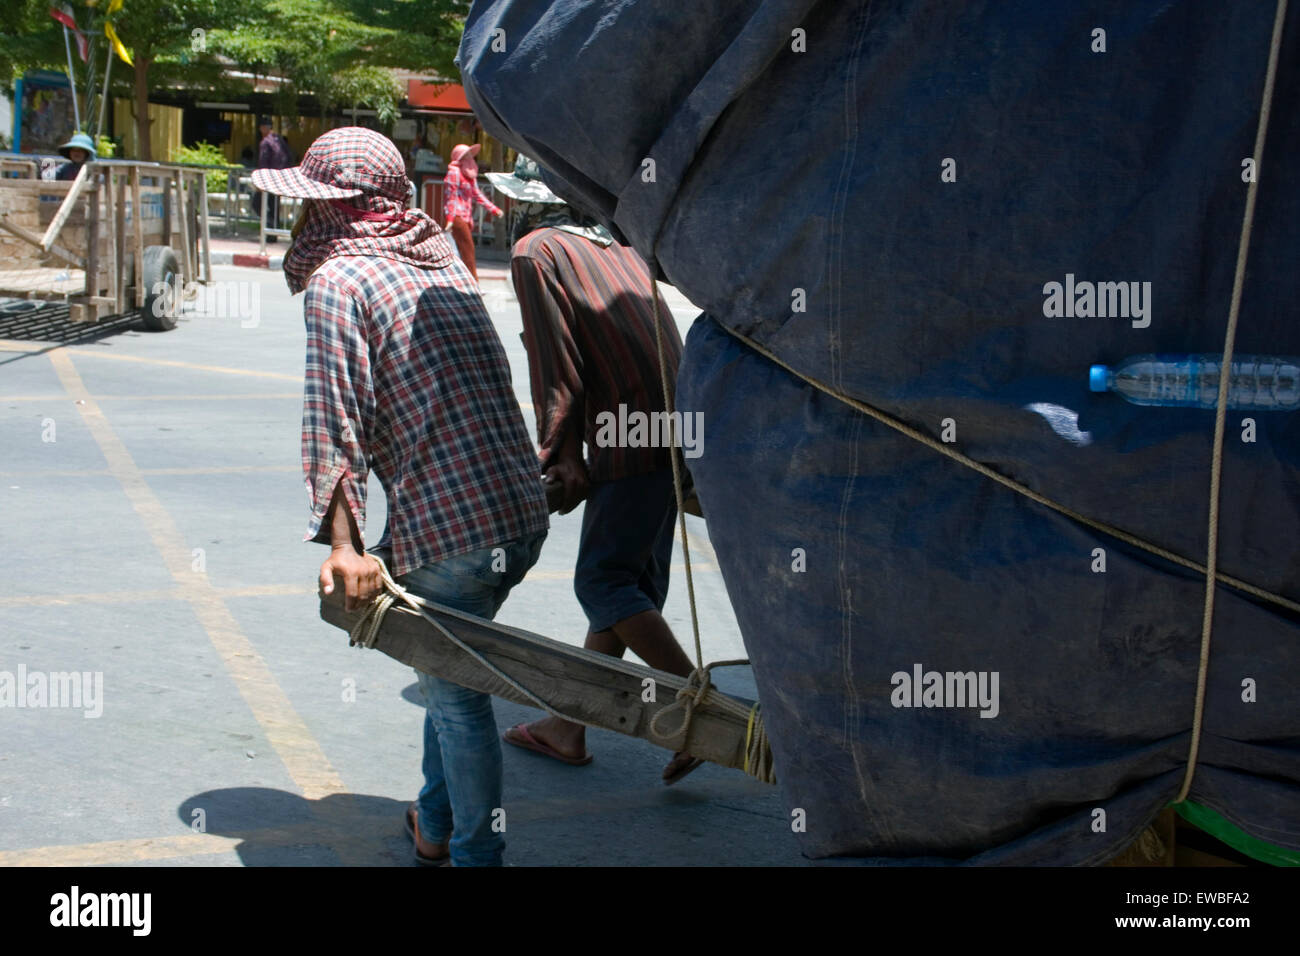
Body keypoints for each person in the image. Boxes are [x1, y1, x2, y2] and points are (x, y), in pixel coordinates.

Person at [251, 127, 549, 867]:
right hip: (517, 515)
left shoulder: (339, 281)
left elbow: (333, 419)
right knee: (447, 665)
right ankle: (437, 824)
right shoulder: (441, 257)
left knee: (456, 699)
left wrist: (348, 548)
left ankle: (478, 855)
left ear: (333, 207)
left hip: (452, 533)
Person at [488, 156, 702, 785]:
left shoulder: (536, 252)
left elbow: (557, 366)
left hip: (627, 437)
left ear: (530, 203)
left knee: (603, 583)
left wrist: (559, 455)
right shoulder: (620, 247)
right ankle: (566, 726)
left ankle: (697, 708)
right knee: (630, 584)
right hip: (671, 430)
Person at [442, 142, 502, 279]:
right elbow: (450, 197)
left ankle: (461, 280)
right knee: (468, 250)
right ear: (459, 157)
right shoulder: (454, 172)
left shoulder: (469, 174)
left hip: (466, 217)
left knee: (462, 251)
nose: (470, 158)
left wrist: (493, 209)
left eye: (470, 155)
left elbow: (477, 194)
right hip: (456, 216)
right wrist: (450, 219)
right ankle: (473, 282)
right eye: (466, 155)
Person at [254, 116, 295, 237]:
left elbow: (263, 161)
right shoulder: (279, 139)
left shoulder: (265, 142)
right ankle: (273, 233)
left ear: (262, 128)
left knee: (256, 204)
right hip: (279, 178)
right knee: (274, 206)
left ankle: (270, 227)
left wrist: (260, 181)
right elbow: (289, 156)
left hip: (268, 179)